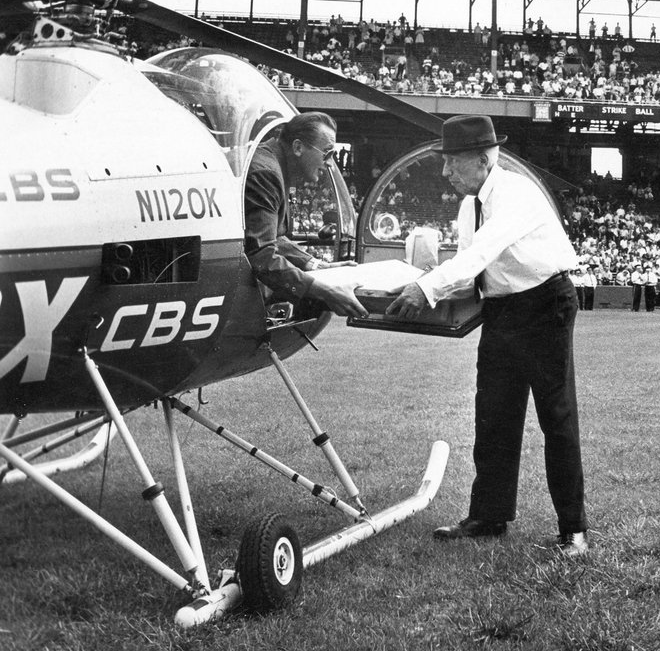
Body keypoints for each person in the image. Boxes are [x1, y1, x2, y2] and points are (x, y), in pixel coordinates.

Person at [386, 115, 588, 558]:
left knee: (556, 416)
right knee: (493, 414)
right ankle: (489, 515)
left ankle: (573, 530)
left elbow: (482, 251)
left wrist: (426, 288)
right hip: (501, 311)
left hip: (544, 305)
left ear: (483, 158)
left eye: (452, 162)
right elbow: (471, 271)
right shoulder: (468, 206)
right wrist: (413, 282)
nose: (445, 172)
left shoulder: (516, 193)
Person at [244, 111, 368, 319]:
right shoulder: (266, 172)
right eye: (327, 153)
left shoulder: (272, 164)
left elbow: (272, 238)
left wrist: (317, 266)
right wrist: (326, 291)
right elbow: (262, 255)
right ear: (298, 147)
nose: (329, 164)